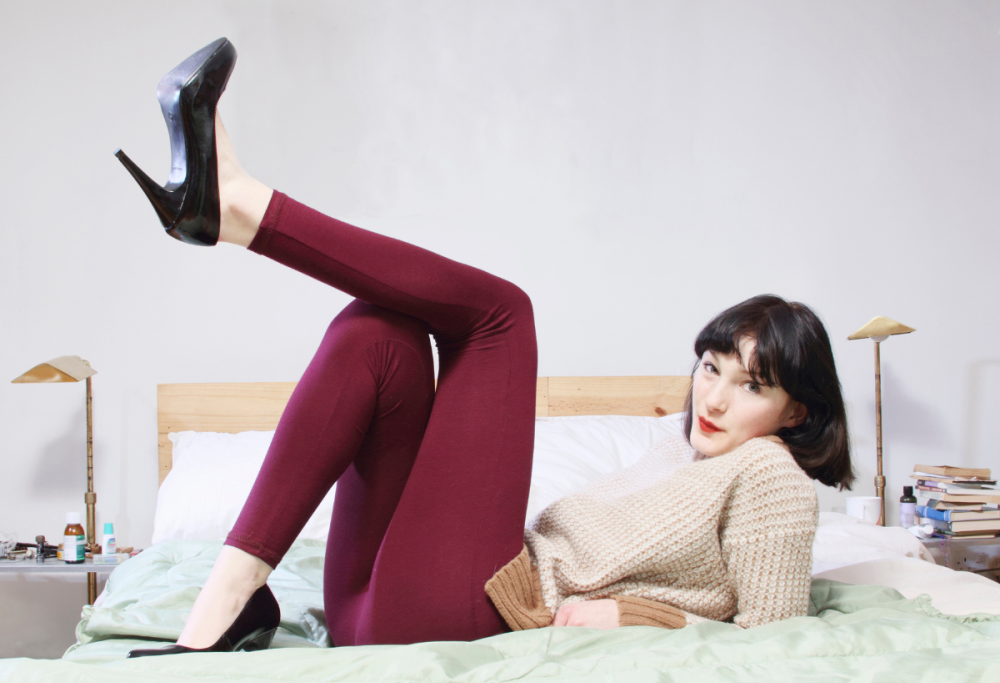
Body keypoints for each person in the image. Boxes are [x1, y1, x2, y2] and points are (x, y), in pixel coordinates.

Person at [120, 39, 854, 657]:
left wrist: (635, 616)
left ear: (797, 411)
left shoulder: (771, 473)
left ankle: (240, 208)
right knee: (380, 332)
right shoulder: (677, 453)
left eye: (752, 385)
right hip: (379, 606)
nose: (715, 397)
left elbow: (771, 635)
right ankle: (228, 600)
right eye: (711, 368)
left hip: (473, 611)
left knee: (503, 315)